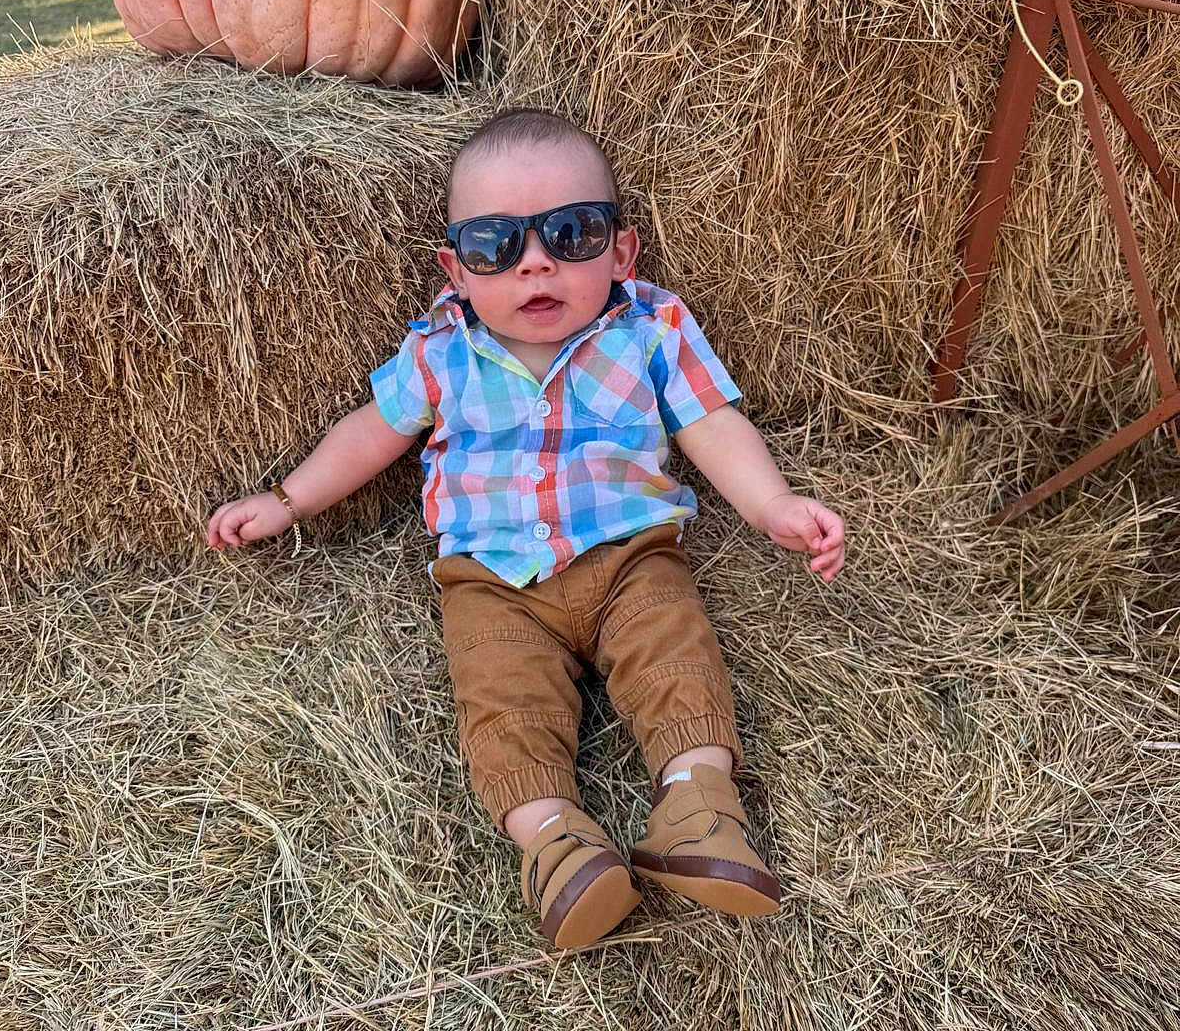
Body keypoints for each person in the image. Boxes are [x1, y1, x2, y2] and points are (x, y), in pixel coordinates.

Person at [206, 107, 846, 950]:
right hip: (493, 581)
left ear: (621, 251)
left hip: (628, 555)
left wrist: (773, 507)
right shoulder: (441, 349)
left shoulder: (651, 328)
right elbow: (371, 429)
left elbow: (712, 423)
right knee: (501, 701)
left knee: (676, 653)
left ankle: (697, 808)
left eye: (571, 234)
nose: (535, 262)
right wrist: (287, 501)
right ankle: (554, 841)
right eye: (494, 246)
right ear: (456, 269)